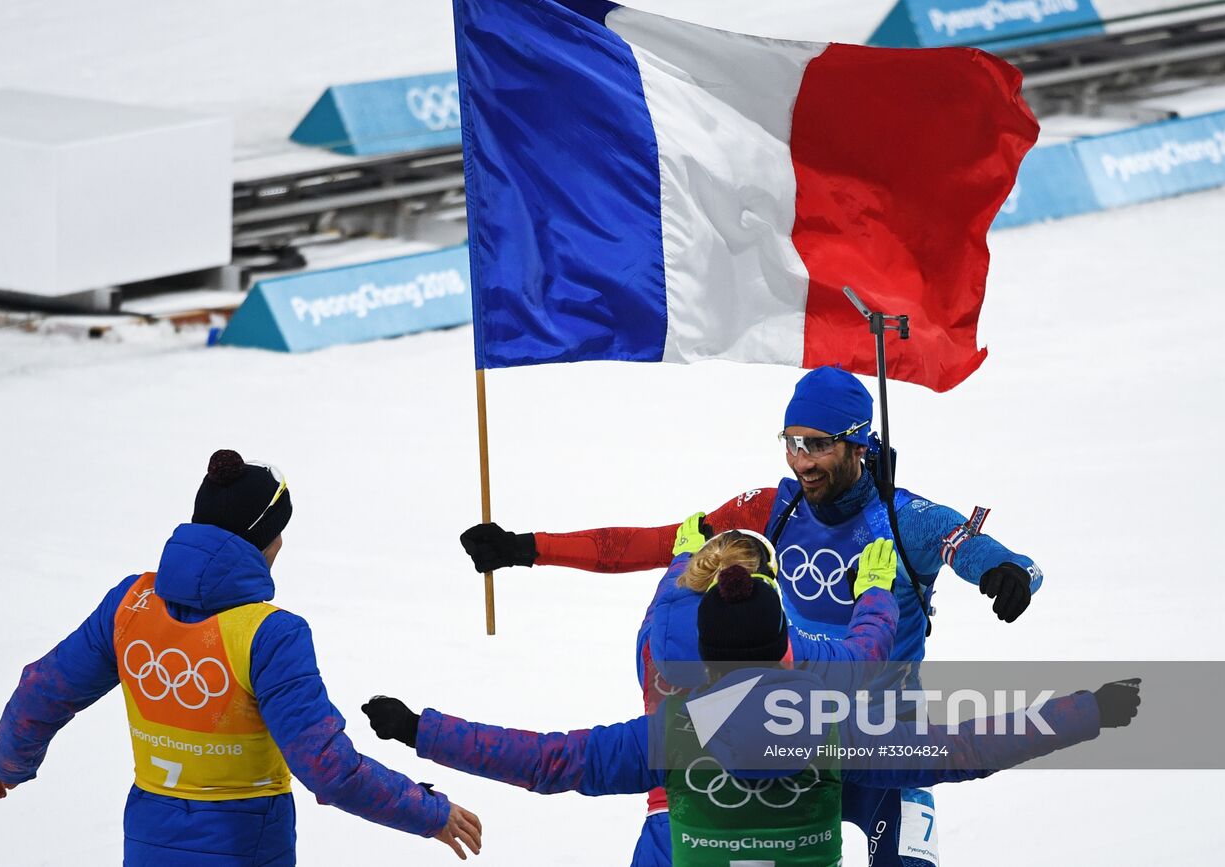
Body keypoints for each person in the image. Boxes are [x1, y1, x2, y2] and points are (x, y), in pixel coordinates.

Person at [459, 365, 1045, 866]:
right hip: (786, 737)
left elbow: (972, 547)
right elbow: (663, 543)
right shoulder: (774, 507)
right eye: (792, 443)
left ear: (858, 444)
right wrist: (528, 548)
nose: (801, 461)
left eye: (817, 445)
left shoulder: (904, 519)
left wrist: (1004, 572)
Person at [363, 555, 1140, 867]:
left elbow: (543, 760)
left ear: (703, 662)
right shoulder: (839, 728)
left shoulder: (673, 732)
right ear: (786, 651)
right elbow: (967, 749)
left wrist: (421, 729)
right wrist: (1085, 712)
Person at [0, 450, 482, 865]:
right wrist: (428, 812)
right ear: (267, 538)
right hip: (246, 847)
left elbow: (44, 687)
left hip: (148, 841)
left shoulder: (130, 603)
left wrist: (8, 762)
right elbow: (329, 768)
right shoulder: (271, 635)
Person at [630, 527, 900, 866]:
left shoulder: (655, 645)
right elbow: (861, 660)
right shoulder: (783, 649)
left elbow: (663, 607)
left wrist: (681, 560)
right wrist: (874, 593)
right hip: (774, 826)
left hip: (666, 831)